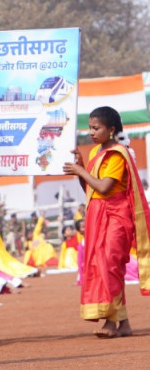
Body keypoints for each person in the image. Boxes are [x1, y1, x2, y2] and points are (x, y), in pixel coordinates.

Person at [62, 106, 150, 338]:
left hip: (116, 215)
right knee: (103, 266)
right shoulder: (95, 152)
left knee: (110, 265)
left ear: (111, 129)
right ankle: (123, 323)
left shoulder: (118, 154)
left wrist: (80, 171)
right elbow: (91, 189)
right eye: (90, 128)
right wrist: (82, 167)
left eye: (96, 128)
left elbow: (104, 186)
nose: (91, 132)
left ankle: (111, 322)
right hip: (97, 215)